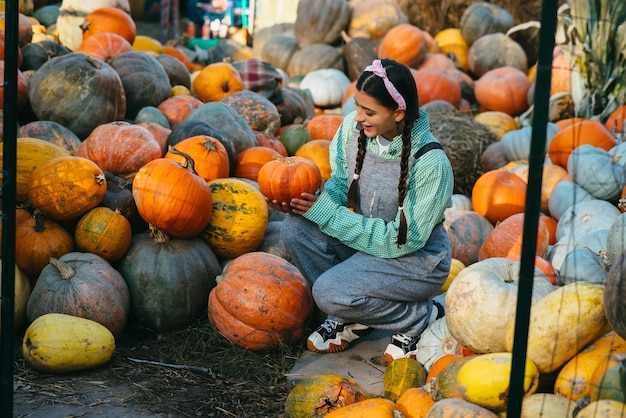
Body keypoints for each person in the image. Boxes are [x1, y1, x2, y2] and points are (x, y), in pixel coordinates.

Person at [267, 58, 455, 362]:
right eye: (357, 107)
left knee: (328, 293)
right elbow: (339, 187)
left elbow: (401, 240)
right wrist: (306, 202)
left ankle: (419, 317)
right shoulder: (352, 132)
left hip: (415, 260)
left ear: (398, 114)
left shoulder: (431, 164)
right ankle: (350, 314)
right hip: (367, 243)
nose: (358, 117)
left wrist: (327, 214)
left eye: (369, 112)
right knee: (294, 228)